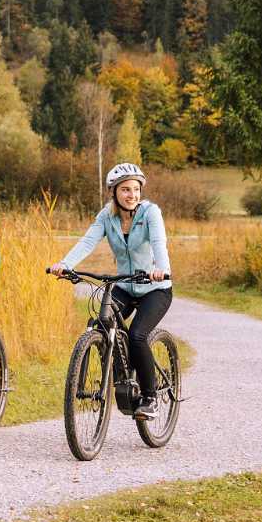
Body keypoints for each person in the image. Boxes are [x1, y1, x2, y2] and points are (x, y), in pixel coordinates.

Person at [48, 162, 172, 420]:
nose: (132, 195)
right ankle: (119, 378)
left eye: (136, 189)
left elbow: (159, 243)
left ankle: (150, 397)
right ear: (113, 192)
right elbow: (87, 241)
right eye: (125, 190)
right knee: (100, 323)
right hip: (125, 285)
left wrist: (161, 268)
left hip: (155, 288)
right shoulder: (107, 216)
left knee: (138, 335)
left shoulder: (150, 213)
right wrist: (65, 265)